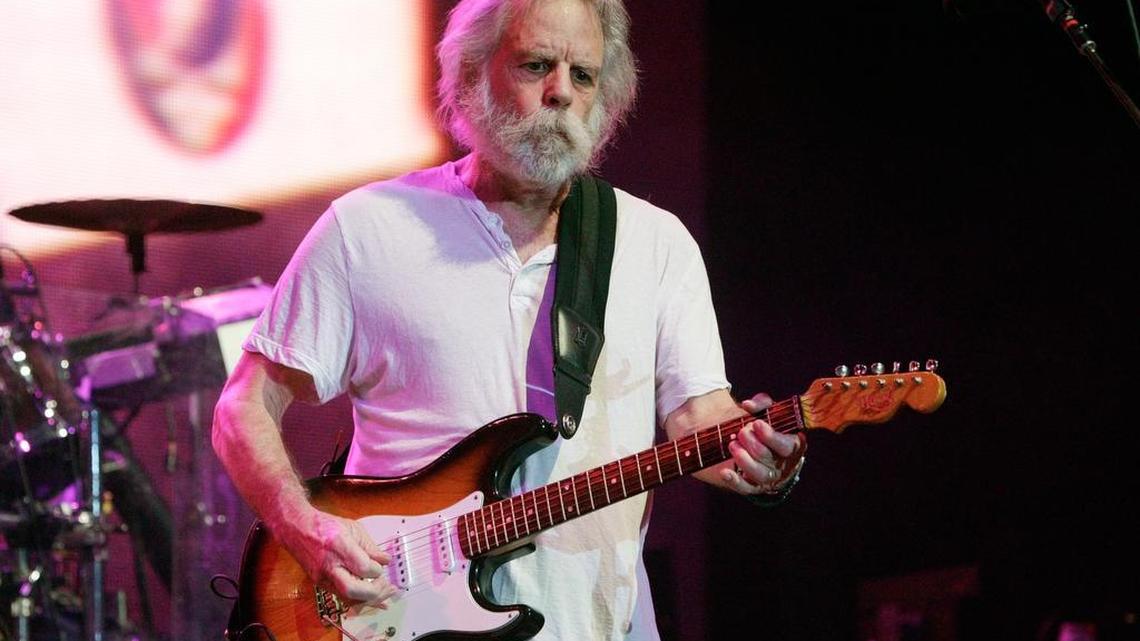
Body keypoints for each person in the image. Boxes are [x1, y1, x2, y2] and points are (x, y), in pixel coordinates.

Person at [211, 0, 807, 639]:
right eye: (536, 65)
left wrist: (762, 455)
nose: (561, 93)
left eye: (583, 76)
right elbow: (243, 409)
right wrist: (305, 528)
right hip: (394, 618)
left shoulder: (657, 245)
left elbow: (698, 418)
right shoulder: (368, 228)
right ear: (470, 75)